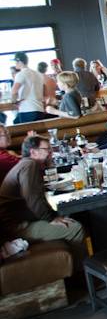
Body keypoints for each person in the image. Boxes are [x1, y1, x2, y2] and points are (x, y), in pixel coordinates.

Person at [0, 135, 85, 263]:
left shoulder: (27, 164)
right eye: (47, 149)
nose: (51, 152)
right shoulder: (30, 165)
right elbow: (32, 199)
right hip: (17, 227)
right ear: (33, 152)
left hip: (20, 221)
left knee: (70, 216)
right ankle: (81, 272)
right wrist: (50, 219)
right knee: (75, 228)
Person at [10, 52, 46, 124]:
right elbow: (44, 90)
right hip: (40, 108)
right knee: (39, 131)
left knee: (27, 131)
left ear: (19, 61)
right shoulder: (38, 74)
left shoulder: (21, 74)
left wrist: (14, 102)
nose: (15, 64)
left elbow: (14, 91)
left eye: (15, 62)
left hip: (27, 109)